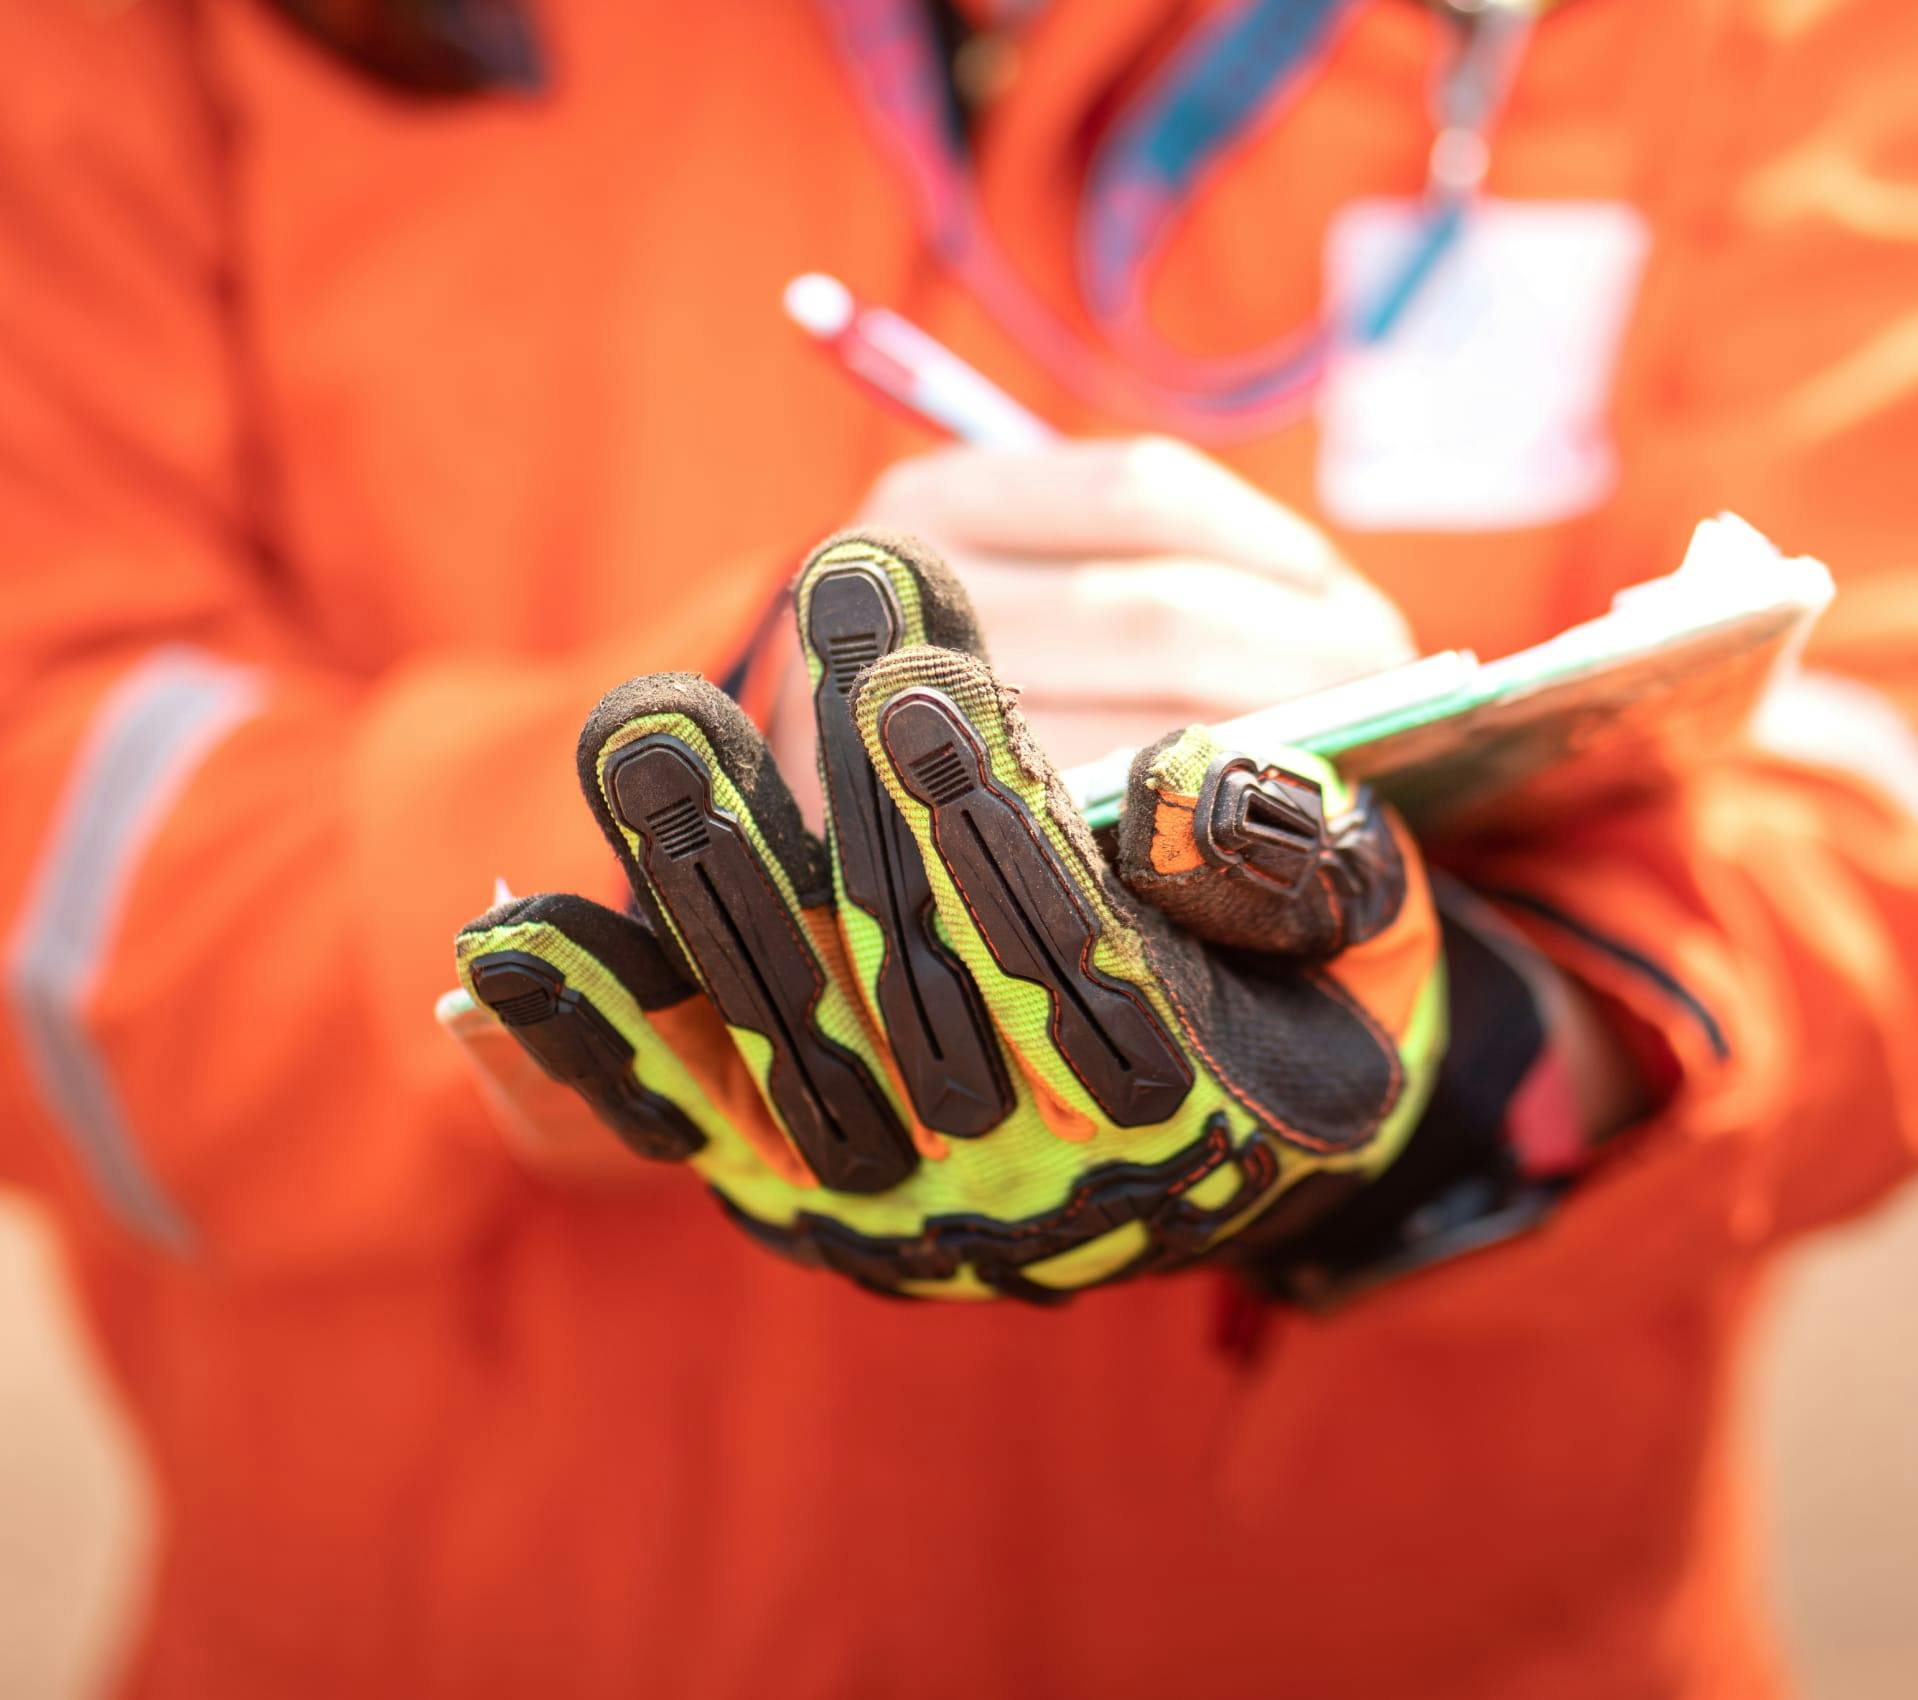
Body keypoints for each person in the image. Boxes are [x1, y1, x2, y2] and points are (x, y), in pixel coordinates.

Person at [0, 0, 1913, 1694]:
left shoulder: (1764, 29)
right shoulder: (143, 37)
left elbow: (1870, 810)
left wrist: (1464, 1067)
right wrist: (699, 805)